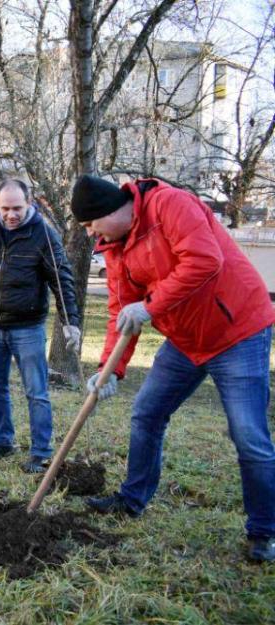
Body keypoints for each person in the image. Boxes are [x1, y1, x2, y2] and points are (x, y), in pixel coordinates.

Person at [70, 174, 275, 563]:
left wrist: (149, 307)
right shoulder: (115, 249)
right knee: (146, 413)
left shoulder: (170, 205)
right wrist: (111, 369)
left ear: (108, 211)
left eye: (90, 223)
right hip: (186, 341)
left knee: (248, 435)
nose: (90, 233)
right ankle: (132, 500)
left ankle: (263, 531)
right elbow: (121, 313)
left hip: (238, 331)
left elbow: (204, 260)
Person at [0, 179, 81, 473]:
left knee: (36, 392)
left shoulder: (44, 235)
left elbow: (61, 280)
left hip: (27, 329)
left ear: (30, 204)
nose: (11, 214)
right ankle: (2, 441)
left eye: (17, 208)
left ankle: (40, 453)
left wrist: (70, 323)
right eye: (5, 208)